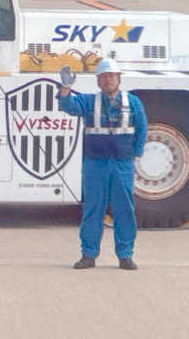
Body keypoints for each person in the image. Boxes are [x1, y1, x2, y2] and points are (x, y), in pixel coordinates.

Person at [58, 58, 147, 270]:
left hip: (121, 165)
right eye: (104, 77)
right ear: (98, 81)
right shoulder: (89, 102)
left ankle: (125, 255)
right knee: (93, 209)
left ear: (118, 79)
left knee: (124, 209)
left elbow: (142, 128)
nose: (108, 80)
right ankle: (88, 255)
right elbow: (68, 106)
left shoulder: (133, 103)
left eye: (112, 76)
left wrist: (135, 154)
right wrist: (65, 88)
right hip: (95, 165)